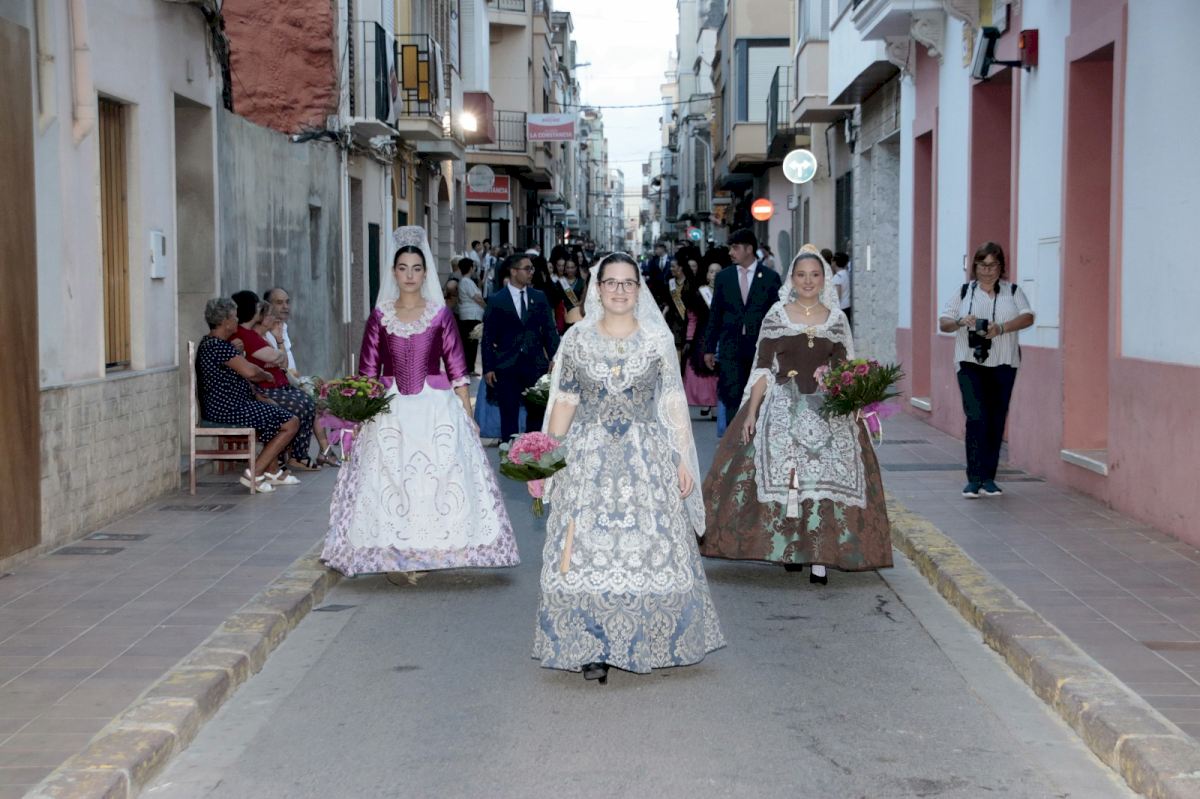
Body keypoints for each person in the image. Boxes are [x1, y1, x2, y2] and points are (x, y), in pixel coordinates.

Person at [534, 252, 725, 683]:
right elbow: (565, 401)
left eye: (628, 283)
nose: (619, 290)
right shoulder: (577, 339)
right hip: (588, 458)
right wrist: (548, 458)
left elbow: (671, 402)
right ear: (598, 288)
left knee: (644, 549)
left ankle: (645, 637)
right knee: (586, 550)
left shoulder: (657, 340)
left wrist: (681, 458)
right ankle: (592, 645)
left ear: (639, 290)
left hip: (645, 455)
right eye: (611, 282)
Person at [322, 226, 519, 576]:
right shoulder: (380, 316)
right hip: (390, 408)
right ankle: (392, 549)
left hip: (435, 408)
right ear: (394, 272)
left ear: (425, 273)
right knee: (389, 479)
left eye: (416, 268)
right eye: (403, 268)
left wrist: (468, 416)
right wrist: (359, 415)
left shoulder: (439, 314)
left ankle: (440, 547)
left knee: (440, 478)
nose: (410, 275)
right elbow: (368, 371)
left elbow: (457, 369)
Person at [701, 246, 893, 583]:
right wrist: (751, 412)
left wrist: (855, 401)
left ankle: (818, 557)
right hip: (782, 406)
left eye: (814, 275)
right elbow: (763, 368)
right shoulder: (777, 316)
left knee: (820, 481)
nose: (808, 281)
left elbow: (845, 369)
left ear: (824, 279)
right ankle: (790, 545)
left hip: (827, 411)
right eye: (802, 275)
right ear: (792, 278)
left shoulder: (836, 319)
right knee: (789, 480)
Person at [938, 241, 1035, 498]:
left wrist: (1001, 328)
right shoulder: (963, 292)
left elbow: (1028, 317)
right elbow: (944, 322)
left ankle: (988, 478)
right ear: (975, 266)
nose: (987, 271)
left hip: (1004, 362)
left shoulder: (1013, 291)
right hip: (969, 362)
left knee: (995, 419)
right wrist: (960, 322)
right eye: (982, 265)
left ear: (1001, 267)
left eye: (993, 265)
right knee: (976, 417)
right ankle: (974, 478)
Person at [195, 298, 300, 493]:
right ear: (225, 321)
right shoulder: (216, 346)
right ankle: (254, 473)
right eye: (234, 317)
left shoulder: (217, 344)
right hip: (226, 409)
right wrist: (265, 375)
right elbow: (250, 372)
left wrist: (258, 394)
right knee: (290, 422)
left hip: (231, 405)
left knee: (273, 410)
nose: (237, 320)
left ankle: (272, 471)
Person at [230, 292, 332, 471]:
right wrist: (277, 350)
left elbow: (282, 361)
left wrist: (278, 348)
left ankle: (297, 455)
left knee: (307, 402)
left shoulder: (254, 335)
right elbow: (276, 358)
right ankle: (281, 460)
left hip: (275, 385)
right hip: (262, 389)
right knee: (299, 405)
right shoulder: (244, 335)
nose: (273, 317)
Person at [703, 228, 783, 437]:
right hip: (731, 349)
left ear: (749, 249)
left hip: (760, 351)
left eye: (735, 248)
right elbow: (715, 314)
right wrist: (709, 348)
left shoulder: (770, 278)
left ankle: (757, 440)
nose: (731, 252)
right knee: (732, 397)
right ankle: (733, 442)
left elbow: (777, 316)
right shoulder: (724, 277)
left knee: (760, 397)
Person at [481, 253, 560, 442]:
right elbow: (488, 337)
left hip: (535, 366)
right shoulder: (497, 300)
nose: (531, 272)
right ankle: (510, 454)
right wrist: (488, 367)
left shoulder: (539, 297)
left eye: (532, 268)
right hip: (507, 367)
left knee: (536, 415)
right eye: (527, 269)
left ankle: (533, 453)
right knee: (509, 416)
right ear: (513, 271)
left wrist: (555, 357)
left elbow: (549, 330)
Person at [683, 261, 720, 415]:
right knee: (704, 368)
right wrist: (689, 338)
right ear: (706, 275)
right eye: (711, 271)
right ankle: (707, 401)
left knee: (718, 369)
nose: (714, 275)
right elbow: (693, 318)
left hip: (722, 334)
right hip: (703, 334)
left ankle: (715, 403)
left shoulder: (727, 292)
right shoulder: (700, 293)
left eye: (718, 272)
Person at [456, 259, 485, 375]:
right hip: (471, 316)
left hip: (469, 315)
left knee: (469, 343)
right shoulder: (466, 281)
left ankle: (468, 367)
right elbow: (477, 298)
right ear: (470, 268)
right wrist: (487, 307)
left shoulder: (465, 281)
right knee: (471, 343)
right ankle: (469, 368)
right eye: (473, 266)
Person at [262, 287, 297, 380]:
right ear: (268, 306)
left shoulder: (283, 326)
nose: (285, 306)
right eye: (279, 302)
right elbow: (281, 366)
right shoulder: (261, 331)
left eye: (287, 302)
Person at [560, 256, 586, 329]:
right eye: (568, 267)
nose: (570, 270)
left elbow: (584, 299)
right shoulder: (560, 282)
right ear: (565, 268)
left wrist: (579, 303)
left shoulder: (582, 282)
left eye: (572, 267)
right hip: (562, 315)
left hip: (577, 315)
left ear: (576, 268)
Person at [831, 251, 852, 325]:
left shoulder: (838, 277)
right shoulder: (847, 274)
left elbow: (837, 296)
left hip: (841, 308)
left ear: (835, 262)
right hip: (848, 306)